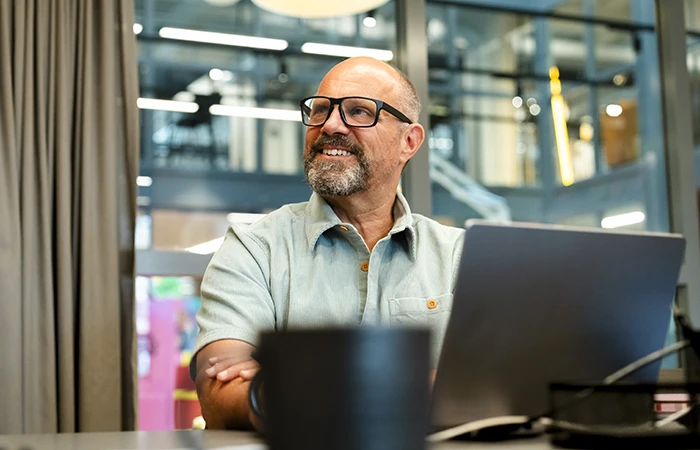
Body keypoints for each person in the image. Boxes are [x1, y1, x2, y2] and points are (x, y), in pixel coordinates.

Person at [192, 56, 465, 430]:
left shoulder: (458, 257)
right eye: (321, 110)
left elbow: (494, 388)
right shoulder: (254, 248)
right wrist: (424, 385)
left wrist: (291, 385)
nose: (331, 124)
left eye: (358, 111)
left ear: (409, 141)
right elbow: (221, 393)